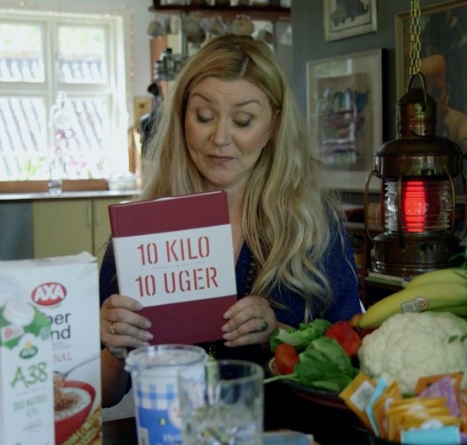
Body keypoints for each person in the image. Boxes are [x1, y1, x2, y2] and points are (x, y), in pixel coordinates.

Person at [97, 34, 364, 412]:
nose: (220, 138)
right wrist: (116, 346)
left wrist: (278, 336)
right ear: (182, 117)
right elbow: (105, 395)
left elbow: (352, 365)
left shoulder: (314, 226)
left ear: (273, 124)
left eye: (243, 121)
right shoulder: (139, 232)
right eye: (204, 117)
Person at [420, 53, 467, 195]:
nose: (429, 101)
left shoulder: (462, 127)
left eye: (435, 92)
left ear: (447, 92)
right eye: (422, 94)